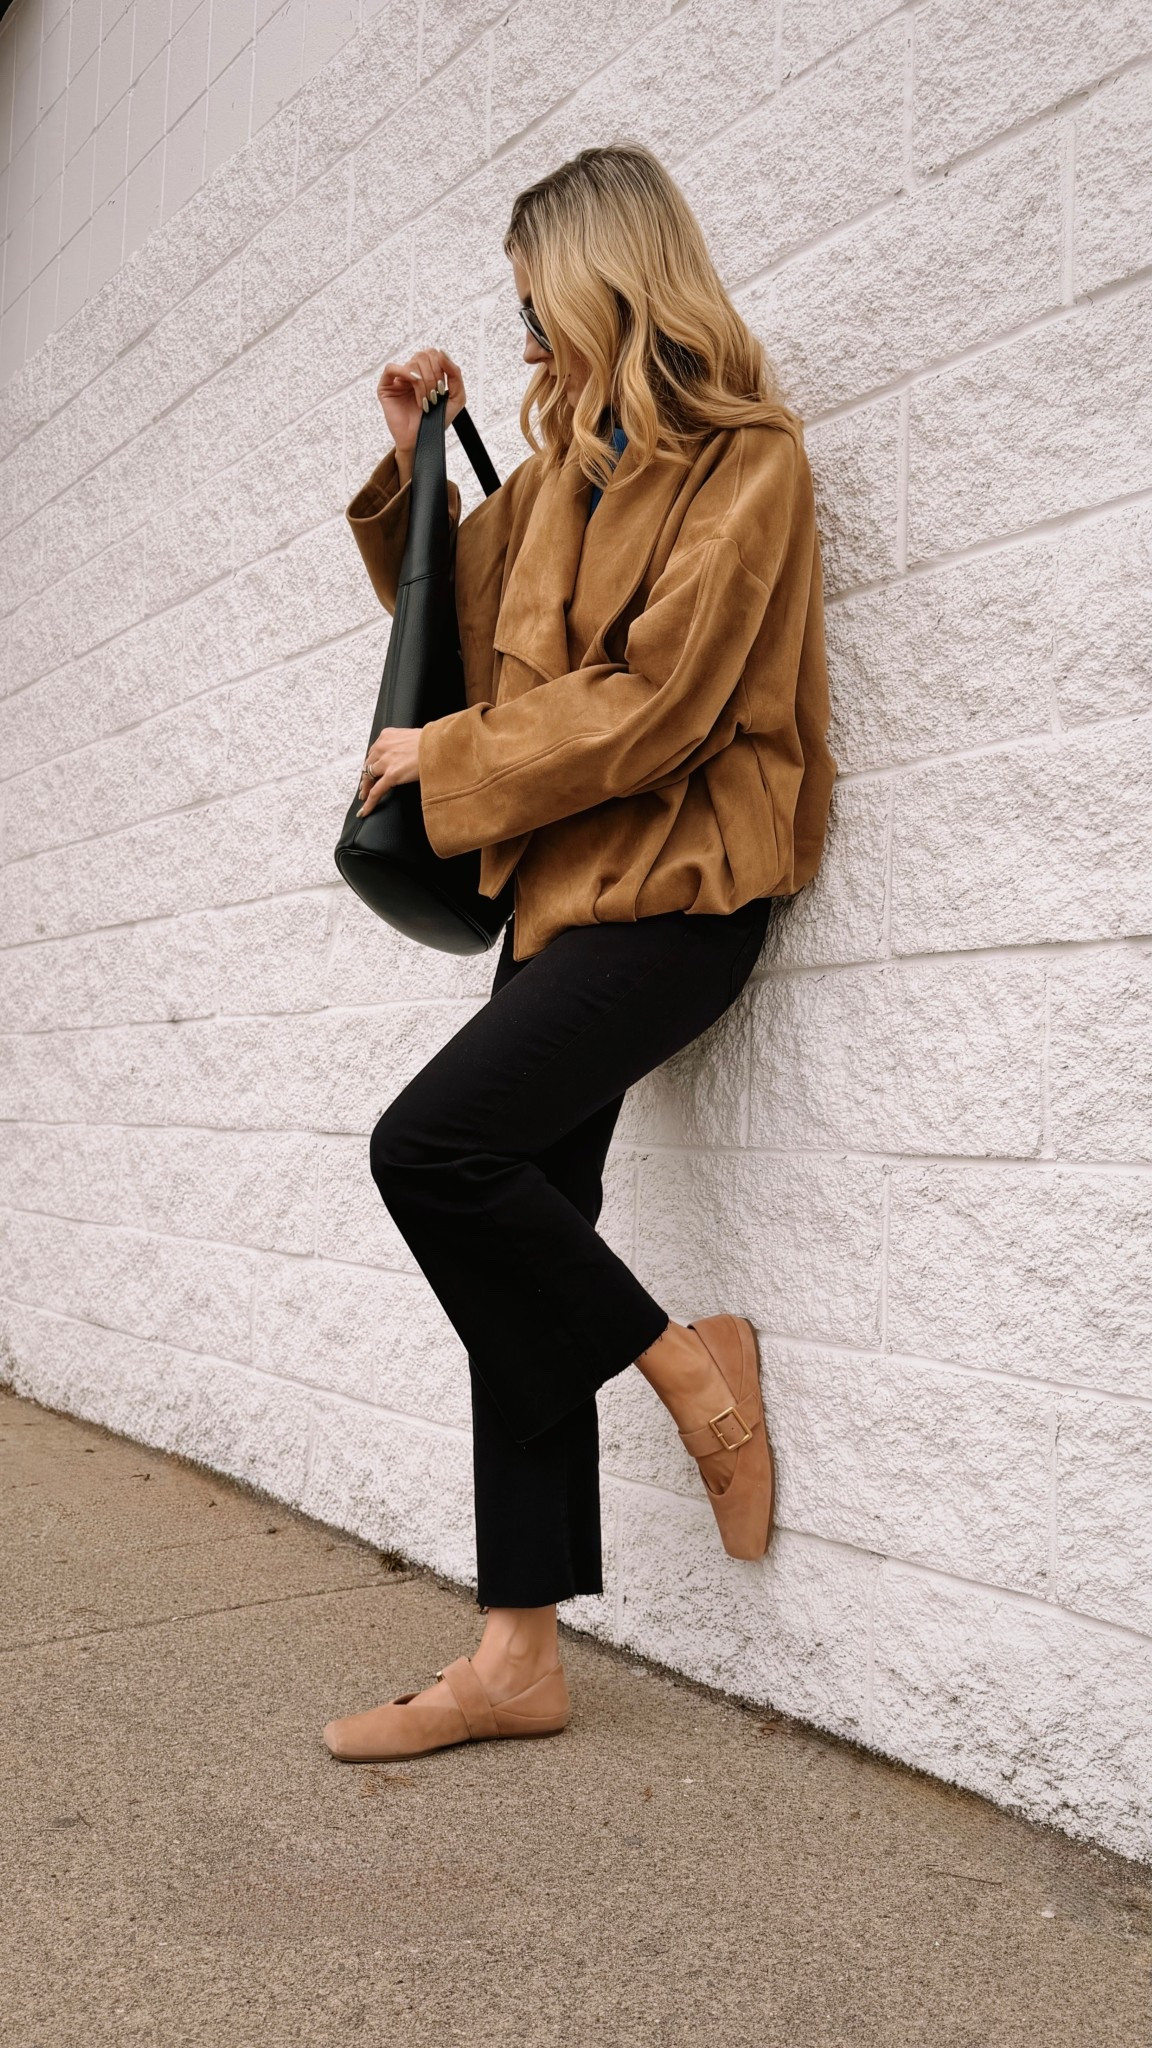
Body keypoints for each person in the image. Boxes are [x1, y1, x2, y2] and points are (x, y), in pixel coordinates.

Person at [322, 143, 836, 1765]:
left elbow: (665, 703)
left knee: (433, 1150)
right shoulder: (547, 482)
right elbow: (455, 642)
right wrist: (415, 467)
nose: (521, 324)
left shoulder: (746, 464)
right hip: (560, 909)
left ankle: (690, 1374)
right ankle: (516, 1654)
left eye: (534, 288)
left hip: (683, 903)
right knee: (511, 1248)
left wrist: (449, 767)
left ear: (606, 273)